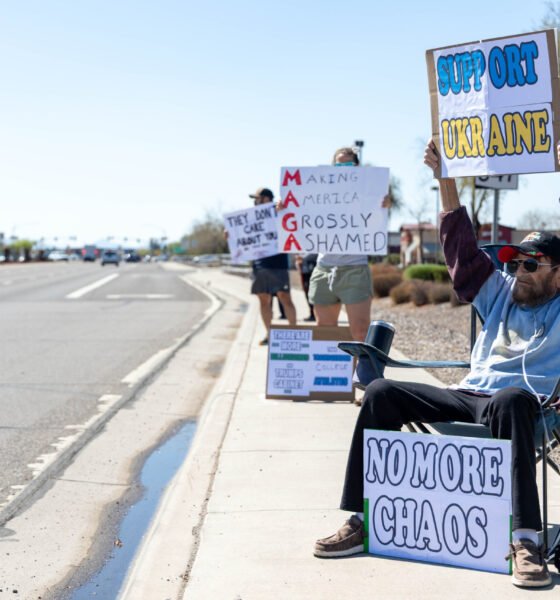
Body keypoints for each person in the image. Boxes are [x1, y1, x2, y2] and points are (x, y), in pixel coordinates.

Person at [313, 140, 560, 589]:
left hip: (523, 405)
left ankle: (525, 540)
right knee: (383, 392)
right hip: (469, 394)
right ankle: (362, 516)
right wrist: (445, 178)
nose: (519, 270)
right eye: (515, 262)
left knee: (512, 399)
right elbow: (462, 251)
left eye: (531, 264)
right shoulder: (501, 290)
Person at [307, 147, 391, 342]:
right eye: (338, 165)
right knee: (326, 334)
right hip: (324, 269)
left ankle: (356, 373)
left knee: (360, 333)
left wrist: (384, 206)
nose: (343, 169)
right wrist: (285, 209)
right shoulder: (319, 193)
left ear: (357, 168)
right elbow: (302, 216)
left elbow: (375, 225)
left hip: (355, 269)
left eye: (348, 164)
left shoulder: (371, 194)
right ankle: (331, 372)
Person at [249, 187, 296, 345]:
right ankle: (270, 335)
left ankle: (294, 333)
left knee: (285, 297)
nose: (255, 201)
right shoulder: (252, 217)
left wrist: (281, 210)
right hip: (260, 264)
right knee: (263, 300)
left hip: (278, 263)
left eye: (258, 198)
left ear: (267, 198)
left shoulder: (279, 212)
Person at [295, 252, 318, 322]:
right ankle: (312, 313)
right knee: (308, 293)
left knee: (315, 293)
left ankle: (316, 314)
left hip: (314, 268)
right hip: (305, 270)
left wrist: (303, 257)